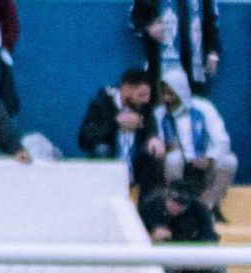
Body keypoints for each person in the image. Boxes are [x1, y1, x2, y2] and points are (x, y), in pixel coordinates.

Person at [154, 68, 236, 215]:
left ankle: (208, 207)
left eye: (171, 93)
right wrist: (167, 147)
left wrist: (210, 158)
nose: (167, 98)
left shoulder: (204, 108)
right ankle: (176, 205)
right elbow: (157, 144)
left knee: (229, 161)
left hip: (203, 165)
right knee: (173, 158)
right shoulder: (160, 113)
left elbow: (222, 140)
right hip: (177, 166)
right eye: (164, 93)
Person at [77, 68, 164, 192]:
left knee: (152, 153)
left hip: (135, 166)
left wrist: (153, 138)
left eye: (148, 96)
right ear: (126, 89)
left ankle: (147, 201)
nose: (146, 100)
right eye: (141, 95)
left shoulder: (143, 107)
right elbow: (84, 139)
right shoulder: (102, 105)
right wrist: (115, 123)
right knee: (102, 150)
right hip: (111, 162)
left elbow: (150, 126)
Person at [131, 0, 220, 95]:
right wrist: (148, 28)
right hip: (161, 61)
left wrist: (213, 52)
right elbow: (136, 17)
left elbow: (210, 19)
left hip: (194, 63)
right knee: (164, 99)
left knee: (195, 102)